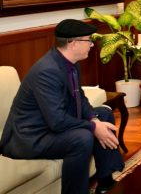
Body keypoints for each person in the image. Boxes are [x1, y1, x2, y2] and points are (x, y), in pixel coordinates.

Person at [0, 19, 124, 194]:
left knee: (103, 113)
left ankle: (105, 182)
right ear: (73, 43)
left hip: (48, 125)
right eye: (88, 40)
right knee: (82, 138)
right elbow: (57, 121)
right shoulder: (47, 71)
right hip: (30, 137)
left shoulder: (70, 64)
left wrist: (93, 119)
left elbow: (79, 97)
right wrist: (93, 127)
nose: (91, 44)